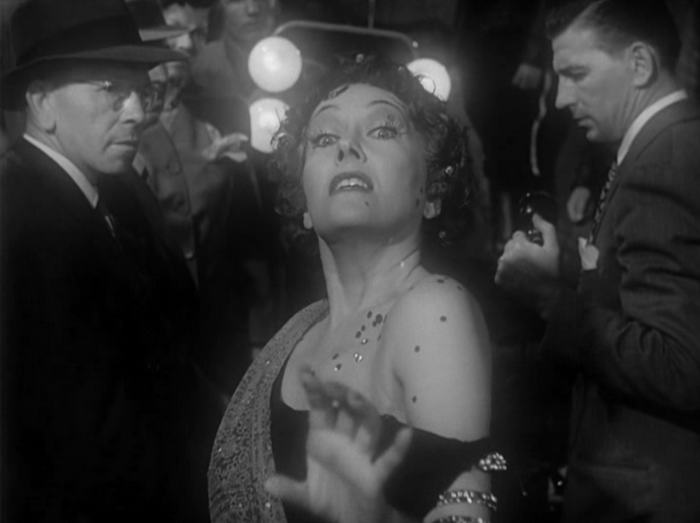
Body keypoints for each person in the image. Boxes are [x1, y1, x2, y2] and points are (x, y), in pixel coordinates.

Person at [208, 56, 500, 523]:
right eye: (325, 138)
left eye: (382, 130)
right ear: (304, 203)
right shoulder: (300, 330)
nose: (347, 146)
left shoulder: (431, 309)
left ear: (432, 191)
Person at [0, 0, 210, 521]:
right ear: (42, 104)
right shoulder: (16, 219)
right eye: (111, 90)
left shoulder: (118, 191)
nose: (136, 111)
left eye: (140, 90)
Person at [495, 0, 700, 521]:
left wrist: (548, 299)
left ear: (639, 64)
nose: (561, 98)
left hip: (645, 499)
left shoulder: (668, 158)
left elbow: (680, 364)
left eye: (576, 74)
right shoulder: (660, 146)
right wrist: (566, 272)